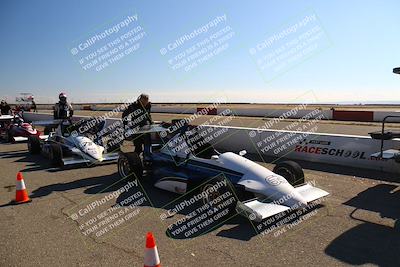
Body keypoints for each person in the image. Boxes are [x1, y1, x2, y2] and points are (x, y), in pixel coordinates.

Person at [122, 94, 152, 160]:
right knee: (138, 145)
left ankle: (146, 157)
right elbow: (124, 114)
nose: (145, 103)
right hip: (136, 127)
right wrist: (125, 124)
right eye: (143, 102)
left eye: (146, 101)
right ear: (140, 100)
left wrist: (151, 123)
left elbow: (148, 115)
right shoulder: (133, 106)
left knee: (148, 142)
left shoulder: (148, 105)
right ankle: (135, 160)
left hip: (146, 126)